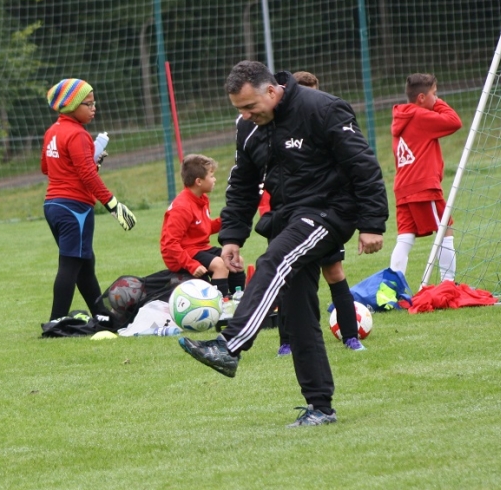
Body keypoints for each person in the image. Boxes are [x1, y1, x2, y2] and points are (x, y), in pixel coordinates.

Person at [178, 61, 388, 427]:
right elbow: (242, 185)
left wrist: (372, 223)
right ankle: (321, 406)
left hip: (329, 212)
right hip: (288, 217)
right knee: (299, 311)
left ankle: (229, 346)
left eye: (250, 107)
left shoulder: (323, 108)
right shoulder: (249, 128)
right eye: (239, 109)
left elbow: (363, 165)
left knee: (274, 260)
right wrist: (231, 237)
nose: (245, 115)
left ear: (272, 91)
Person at [268, 71, 366, 355]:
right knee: (288, 277)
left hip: (325, 215)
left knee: (334, 272)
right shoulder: (279, 131)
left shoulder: (327, 123)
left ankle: (351, 336)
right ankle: (286, 341)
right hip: (291, 219)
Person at [41, 78, 138, 323]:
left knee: (84, 260)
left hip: (52, 205)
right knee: (71, 263)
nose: (94, 108)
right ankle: (56, 320)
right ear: (71, 105)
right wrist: (114, 206)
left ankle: (101, 314)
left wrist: (89, 162)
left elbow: (46, 168)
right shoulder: (78, 134)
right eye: (88, 103)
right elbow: (86, 176)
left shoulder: (52, 131)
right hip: (74, 208)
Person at [389, 73, 463, 283]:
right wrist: (438, 103)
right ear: (421, 98)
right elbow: (454, 121)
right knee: (445, 230)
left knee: (405, 237)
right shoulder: (420, 116)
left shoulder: (400, 117)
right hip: (423, 187)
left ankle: (393, 288)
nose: (437, 98)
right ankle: (448, 284)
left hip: (402, 188)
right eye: (434, 94)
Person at [159, 154, 245, 297]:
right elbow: (170, 244)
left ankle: (239, 302)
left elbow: (204, 228)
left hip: (199, 248)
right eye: (211, 176)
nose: (215, 179)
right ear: (199, 181)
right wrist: (191, 265)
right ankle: (219, 308)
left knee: (236, 260)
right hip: (181, 254)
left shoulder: (202, 199)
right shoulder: (182, 207)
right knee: (219, 265)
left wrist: (228, 219)